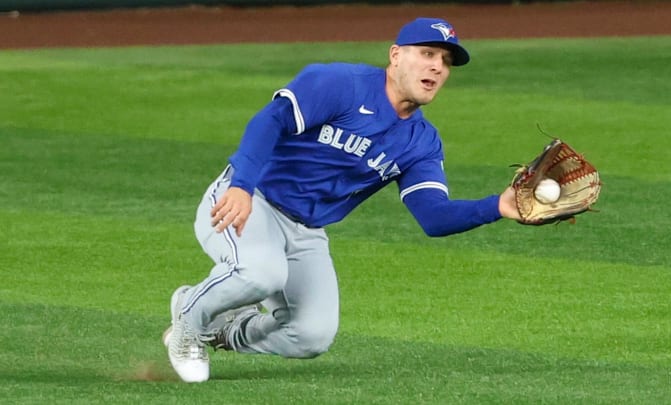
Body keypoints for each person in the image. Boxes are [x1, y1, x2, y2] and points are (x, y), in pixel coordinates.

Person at [163, 17, 521, 383]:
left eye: (445, 62)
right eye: (427, 53)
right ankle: (189, 322)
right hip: (251, 199)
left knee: (311, 335)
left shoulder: (422, 142)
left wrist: (498, 207)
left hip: (306, 231)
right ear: (395, 56)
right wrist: (241, 184)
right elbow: (270, 121)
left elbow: (434, 217)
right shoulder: (341, 84)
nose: (437, 66)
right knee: (262, 274)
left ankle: (223, 329)